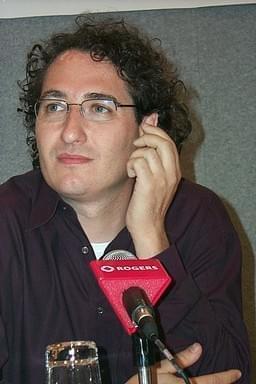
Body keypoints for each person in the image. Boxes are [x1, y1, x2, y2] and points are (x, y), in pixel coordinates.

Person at [0, 14, 250, 384]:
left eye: (99, 108)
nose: (69, 132)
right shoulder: (7, 220)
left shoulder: (199, 217)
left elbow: (230, 374)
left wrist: (151, 237)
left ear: (147, 128)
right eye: (54, 106)